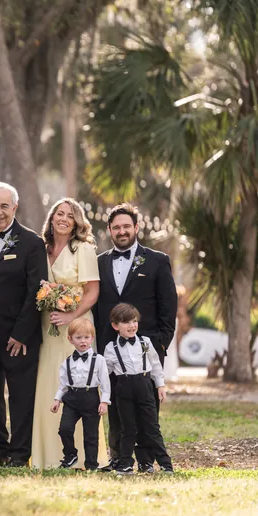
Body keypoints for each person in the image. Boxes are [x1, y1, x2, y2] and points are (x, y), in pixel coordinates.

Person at [93, 203, 177, 472]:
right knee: (115, 404)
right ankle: (119, 458)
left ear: (136, 228)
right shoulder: (99, 262)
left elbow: (168, 306)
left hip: (146, 347)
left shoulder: (157, 260)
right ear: (109, 230)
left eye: (126, 226)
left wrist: (161, 342)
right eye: (116, 227)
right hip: (111, 348)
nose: (121, 231)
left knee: (147, 407)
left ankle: (146, 460)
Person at [0, 182, 47, 467]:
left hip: (18, 335)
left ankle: (19, 453)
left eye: (4, 206)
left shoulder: (31, 242)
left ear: (15, 207)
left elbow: (36, 291)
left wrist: (21, 333)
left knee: (21, 396)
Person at [31, 198, 106, 469]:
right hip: (47, 326)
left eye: (70, 215)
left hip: (75, 327)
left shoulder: (83, 249)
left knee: (78, 386)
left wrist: (69, 316)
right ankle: (46, 455)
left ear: (77, 222)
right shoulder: (43, 248)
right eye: (59, 214)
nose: (63, 218)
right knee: (48, 385)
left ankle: (82, 457)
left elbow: (93, 291)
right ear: (51, 218)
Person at [103, 303, 173, 475]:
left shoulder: (145, 342)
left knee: (151, 427)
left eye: (134, 321)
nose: (132, 325)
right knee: (127, 428)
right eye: (126, 322)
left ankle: (165, 463)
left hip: (145, 386)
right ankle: (126, 463)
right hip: (123, 388)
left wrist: (160, 385)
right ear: (115, 326)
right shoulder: (111, 348)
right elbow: (104, 373)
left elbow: (155, 365)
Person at [50, 318, 111, 470]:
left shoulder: (99, 360)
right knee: (65, 429)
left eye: (86, 337)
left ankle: (91, 464)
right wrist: (57, 399)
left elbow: (105, 383)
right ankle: (70, 455)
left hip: (91, 398)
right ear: (70, 339)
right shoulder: (67, 362)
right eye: (78, 338)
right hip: (71, 399)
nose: (83, 341)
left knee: (91, 434)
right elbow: (63, 384)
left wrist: (104, 401)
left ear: (92, 338)